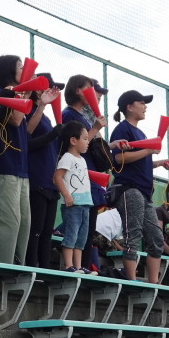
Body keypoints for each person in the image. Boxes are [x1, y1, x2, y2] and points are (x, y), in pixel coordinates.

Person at [61, 74, 125, 270]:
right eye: (88, 89)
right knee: (77, 228)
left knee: (87, 230)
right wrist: (96, 127)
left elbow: (88, 144)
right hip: (79, 180)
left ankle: (83, 266)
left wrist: (108, 144)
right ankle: (72, 266)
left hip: (89, 179)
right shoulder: (69, 115)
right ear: (77, 91)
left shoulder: (81, 116)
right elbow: (77, 145)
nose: (94, 94)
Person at [110, 90, 169, 282]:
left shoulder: (140, 132)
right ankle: (131, 280)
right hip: (129, 189)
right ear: (129, 107)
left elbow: (140, 162)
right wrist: (147, 150)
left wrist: (159, 162)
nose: (145, 107)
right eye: (142, 103)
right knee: (134, 234)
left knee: (156, 239)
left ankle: (153, 284)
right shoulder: (122, 129)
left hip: (144, 193)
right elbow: (118, 158)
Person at [0, 55, 30, 265]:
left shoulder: (17, 96)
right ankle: (2, 266)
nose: (24, 72)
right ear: (8, 71)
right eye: (20, 68)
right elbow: (16, 120)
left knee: (24, 223)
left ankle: (18, 265)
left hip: (21, 169)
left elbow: (27, 129)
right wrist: (24, 93)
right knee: (8, 221)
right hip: (5, 167)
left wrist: (38, 104)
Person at [25, 73, 63, 268]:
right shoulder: (29, 110)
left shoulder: (47, 117)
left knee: (47, 231)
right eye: (48, 87)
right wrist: (53, 134)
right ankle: (32, 266)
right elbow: (27, 141)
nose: (53, 92)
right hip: (36, 178)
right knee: (36, 229)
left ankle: (45, 269)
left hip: (50, 181)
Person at [53, 120, 97, 274]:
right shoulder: (67, 157)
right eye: (84, 138)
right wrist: (66, 195)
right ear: (73, 140)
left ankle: (78, 267)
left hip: (85, 204)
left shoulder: (82, 159)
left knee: (81, 238)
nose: (87, 141)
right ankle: (68, 265)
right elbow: (57, 177)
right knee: (71, 235)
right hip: (73, 205)